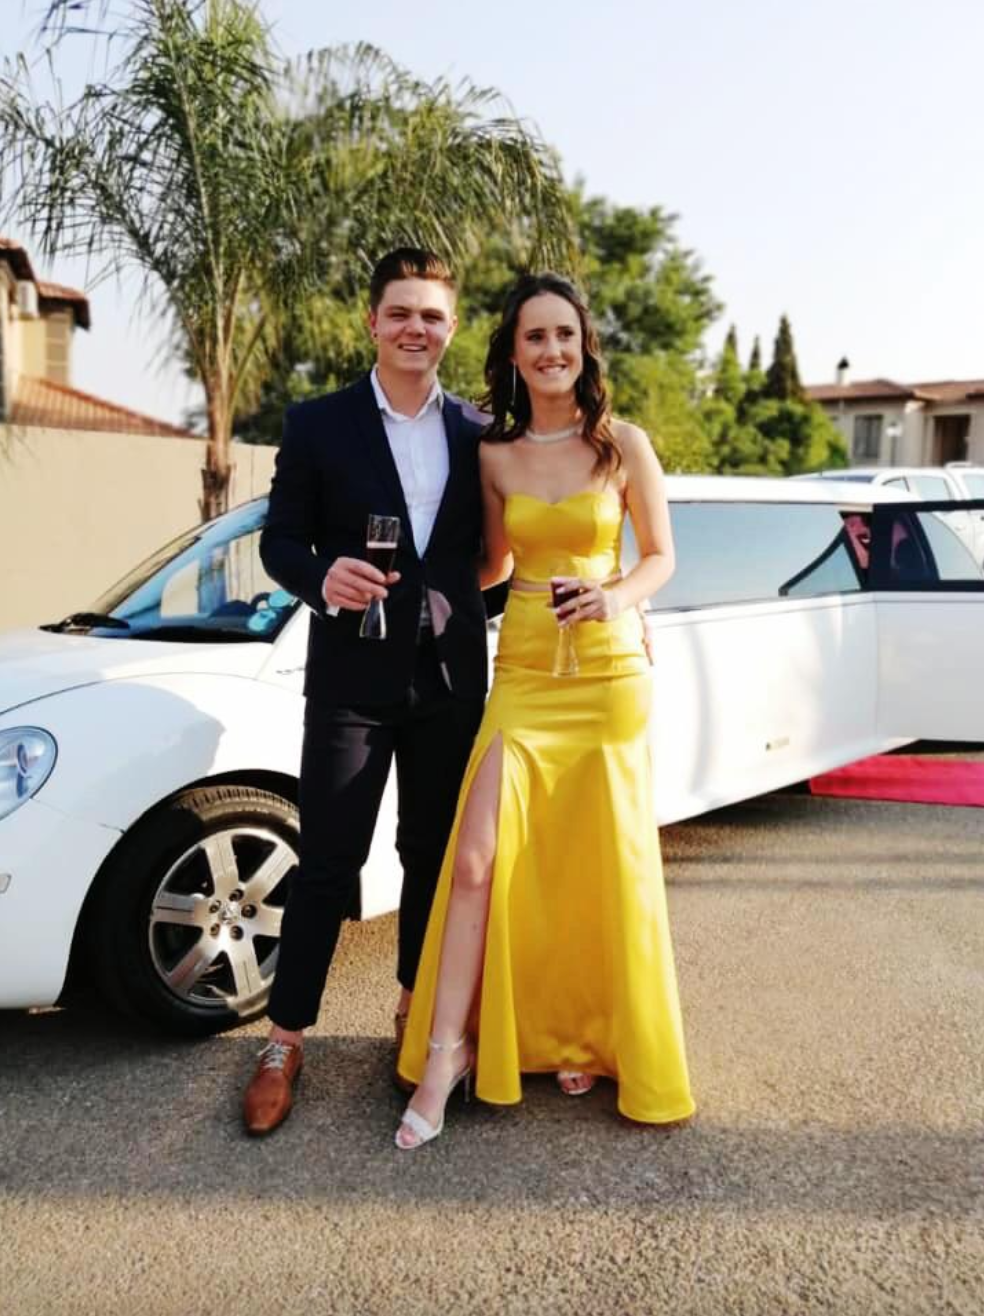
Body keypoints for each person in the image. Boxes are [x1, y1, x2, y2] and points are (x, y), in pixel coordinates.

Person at [394, 272, 695, 1148]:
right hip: (524, 672)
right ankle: (447, 1052)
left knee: (597, 863)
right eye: (535, 336)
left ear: (583, 346)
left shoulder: (623, 444)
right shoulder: (493, 454)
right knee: (476, 861)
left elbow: (661, 556)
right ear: (514, 352)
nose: (552, 349)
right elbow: (492, 566)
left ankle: (583, 1036)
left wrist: (617, 598)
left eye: (565, 334)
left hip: (607, 676)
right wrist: (408, 591)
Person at [243, 248, 491, 1136]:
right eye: (401, 313)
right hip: (352, 674)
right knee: (328, 860)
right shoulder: (318, 423)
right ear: (372, 323)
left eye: (432, 315)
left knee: (432, 855)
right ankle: (283, 1041)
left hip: (450, 676)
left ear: (451, 328)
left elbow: (506, 548)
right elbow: (279, 540)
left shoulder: (480, 432)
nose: (416, 328)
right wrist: (320, 577)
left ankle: (414, 1017)